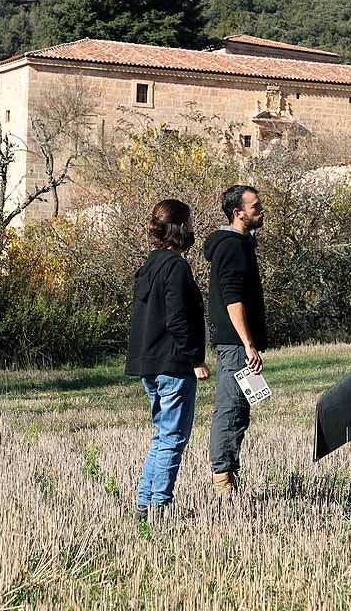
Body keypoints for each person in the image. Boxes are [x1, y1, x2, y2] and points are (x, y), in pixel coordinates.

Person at [127, 199, 210, 521]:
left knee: (162, 435)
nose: (192, 229)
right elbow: (177, 320)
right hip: (173, 364)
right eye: (188, 223)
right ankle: (159, 507)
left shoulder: (147, 266)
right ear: (178, 228)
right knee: (173, 437)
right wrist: (195, 359)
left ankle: (144, 505)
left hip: (149, 363)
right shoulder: (175, 267)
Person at [203, 184, 268, 499]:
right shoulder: (231, 246)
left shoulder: (242, 244)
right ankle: (222, 482)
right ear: (238, 212)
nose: (261, 209)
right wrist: (247, 344)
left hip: (240, 344)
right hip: (235, 345)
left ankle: (229, 476)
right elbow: (232, 299)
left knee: (240, 409)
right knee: (229, 408)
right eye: (255, 206)